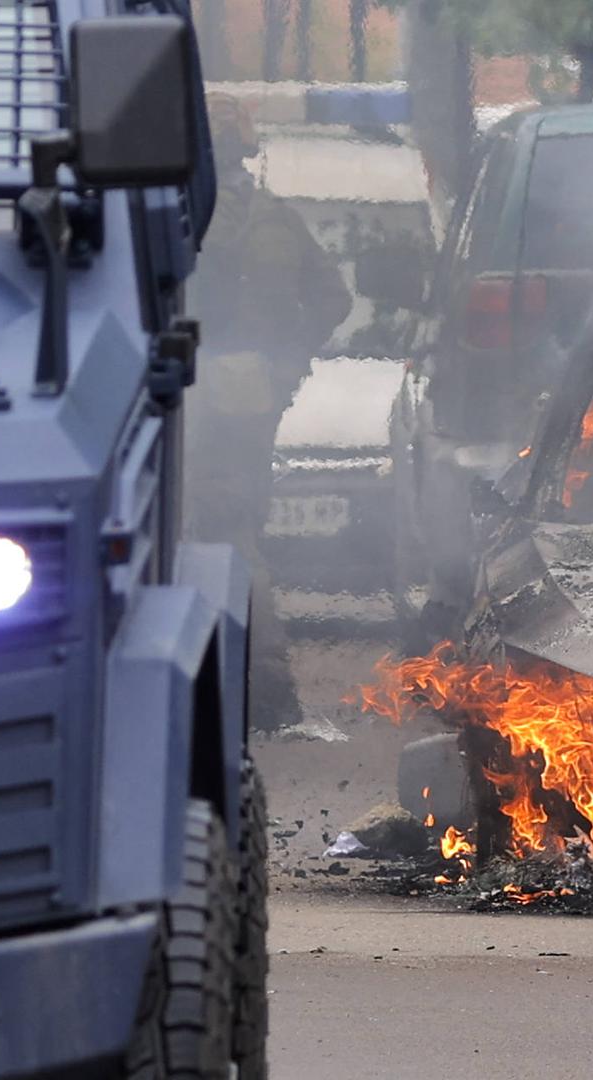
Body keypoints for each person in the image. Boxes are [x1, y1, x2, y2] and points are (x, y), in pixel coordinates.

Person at [187, 92, 351, 729]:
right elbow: (333, 301)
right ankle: (263, 690)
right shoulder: (276, 219)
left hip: (186, 400)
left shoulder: (171, 222)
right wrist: (283, 363)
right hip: (252, 400)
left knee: (208, 532)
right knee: (235, 533)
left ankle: (248, 686)